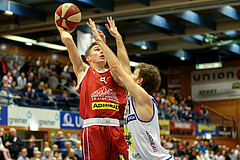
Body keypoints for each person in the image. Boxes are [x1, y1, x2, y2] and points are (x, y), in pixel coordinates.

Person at [87, 17, 173, 160]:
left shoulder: (143, 98)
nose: (129, 75)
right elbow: (124, 66)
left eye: (134, 74)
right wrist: (118, 39)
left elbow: (116, 67)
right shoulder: (132, 97)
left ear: (139, 81)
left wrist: (100, 41)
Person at [55, 16, 129, 159]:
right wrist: (61, 28)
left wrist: (105, 43)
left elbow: (119, 66)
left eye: (103, 51)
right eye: (97, 49)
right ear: (88, 58)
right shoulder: (84, 71)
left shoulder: (114, 73)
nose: (101, 52)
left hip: (115, 128)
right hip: (94, 128)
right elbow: (69, 41)